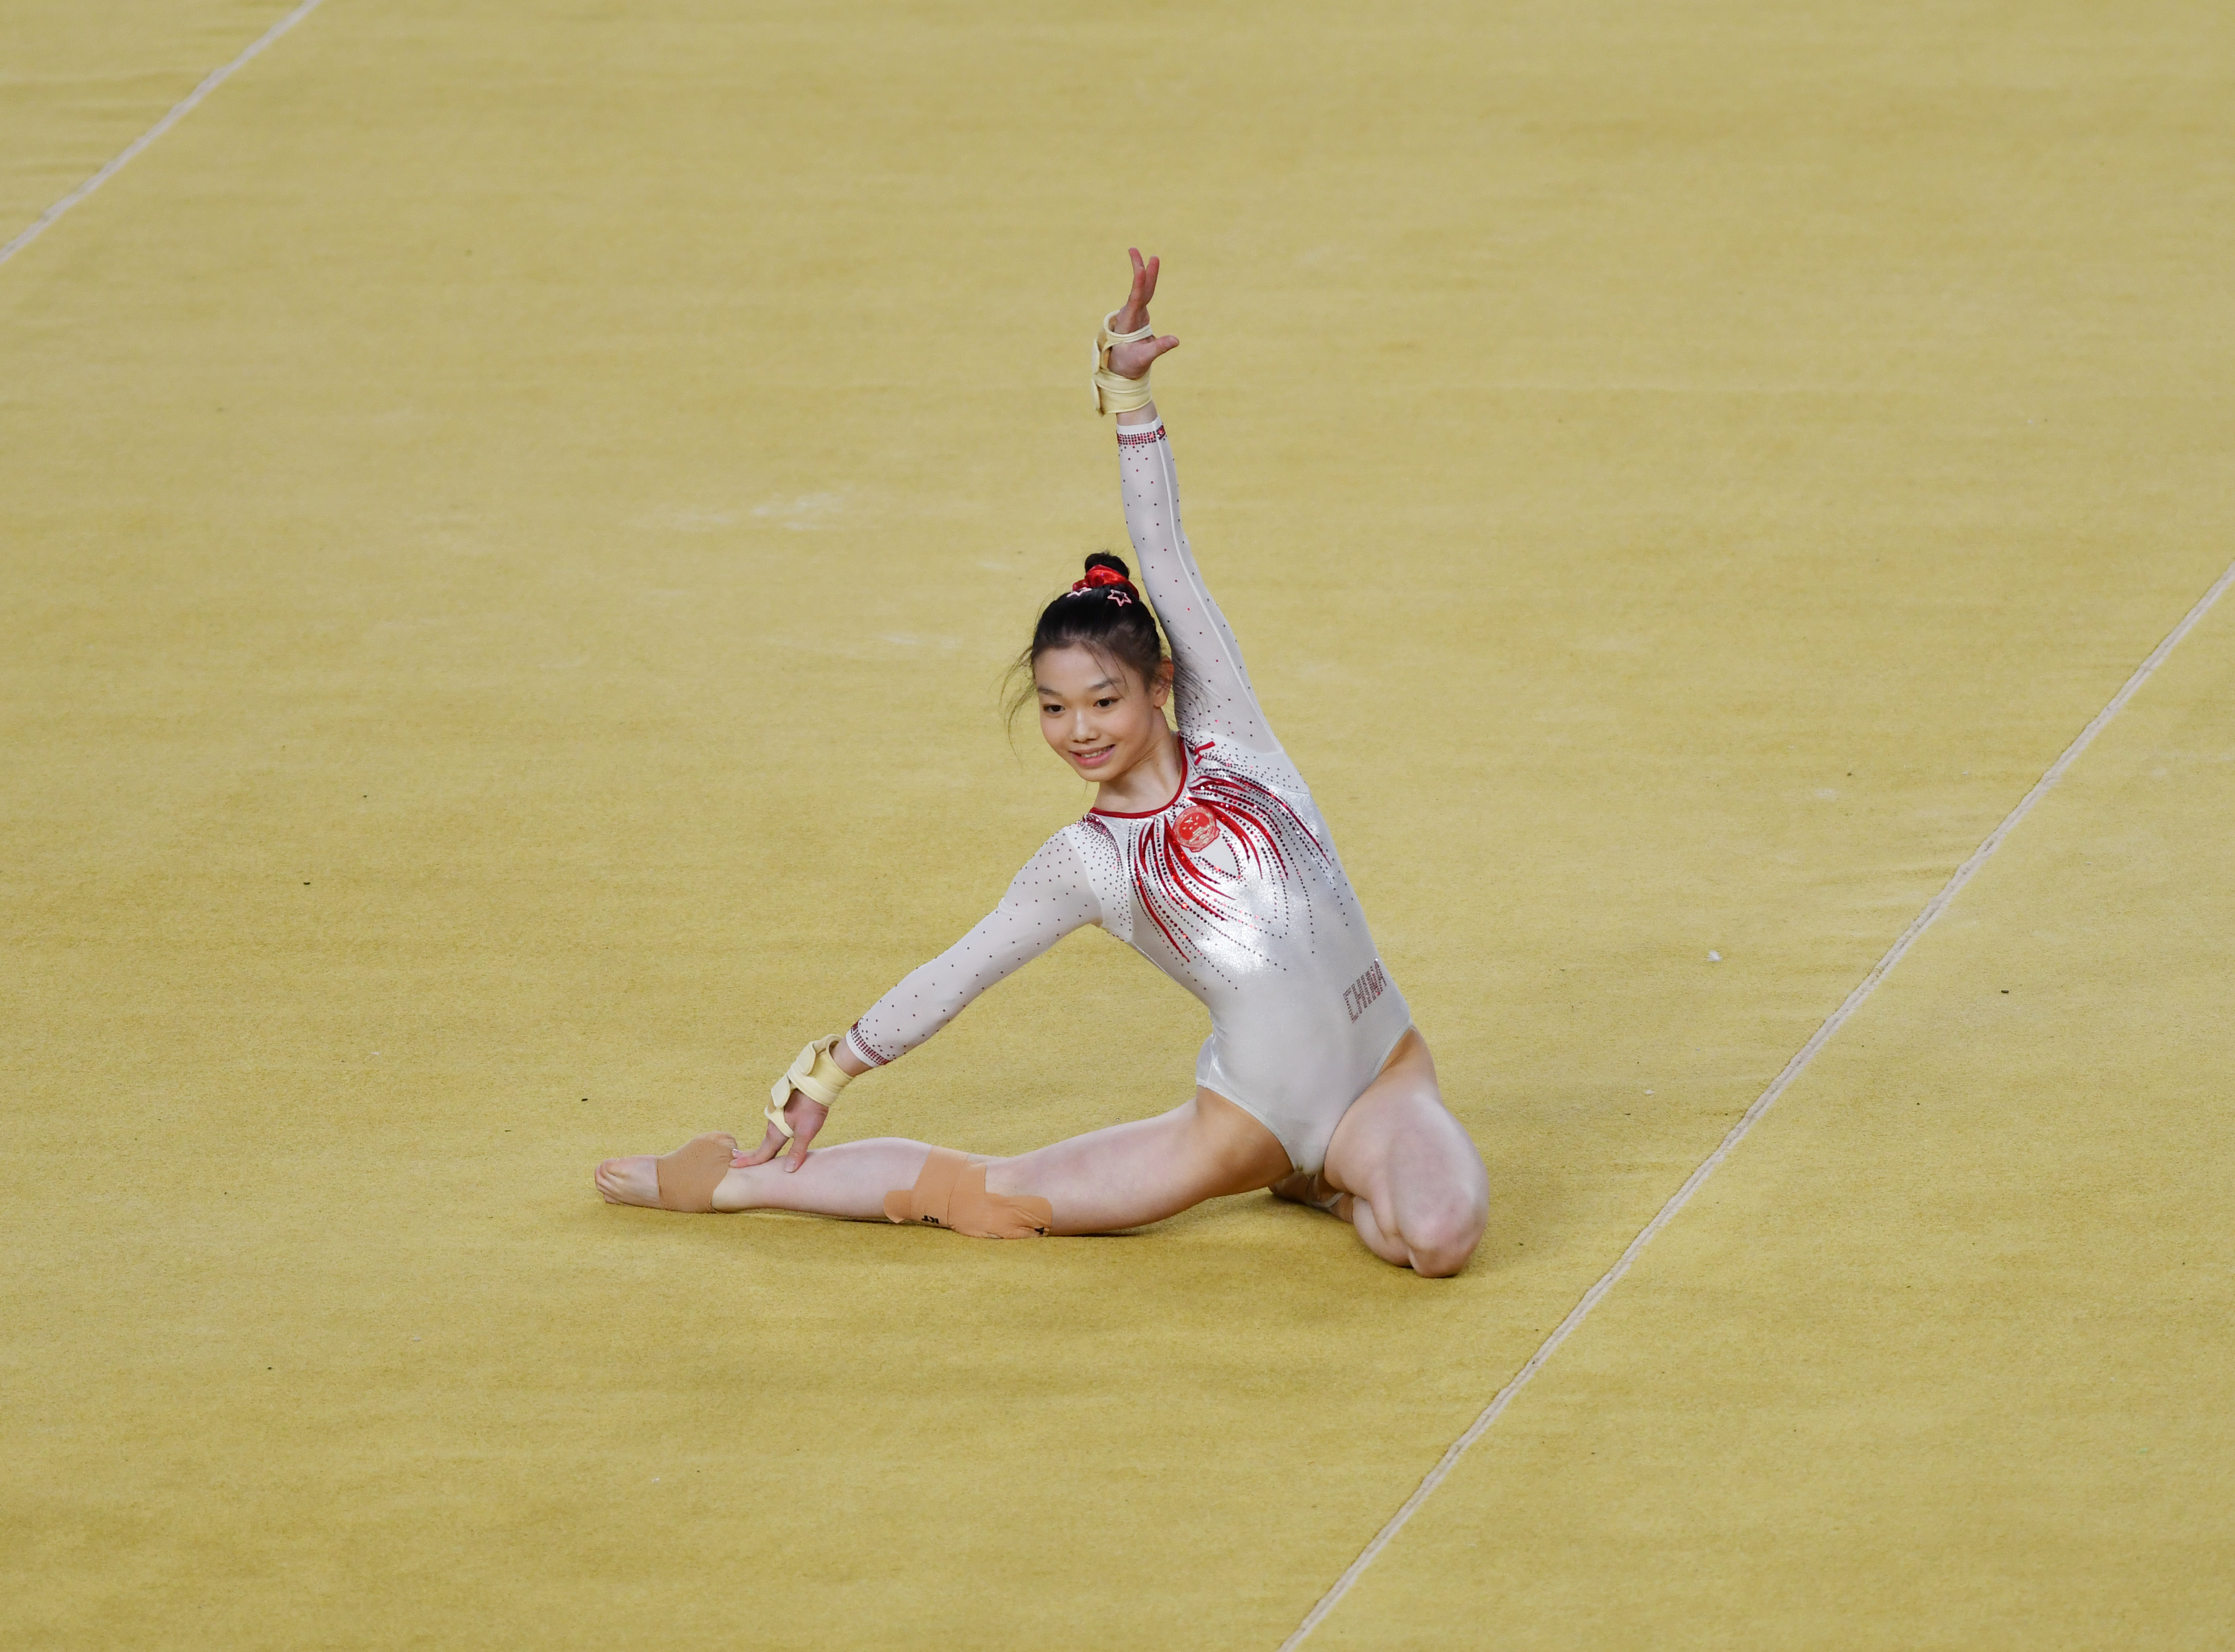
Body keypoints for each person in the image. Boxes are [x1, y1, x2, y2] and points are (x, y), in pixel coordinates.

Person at [596, 251, 1490, 1276]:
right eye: (1056, 709)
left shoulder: (1233, 738)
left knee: (1435, 1237)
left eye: (1104, 701)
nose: (1080, 731)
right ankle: (730, 1181)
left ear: (1160, 685)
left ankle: (1327, 1179)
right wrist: (824, 1074)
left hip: (1381, 1076)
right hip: (1244, 1119)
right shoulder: (1086, 862)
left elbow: (1166, 557)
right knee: (987, 1199)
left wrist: (1129, 394)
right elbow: (959, 971)